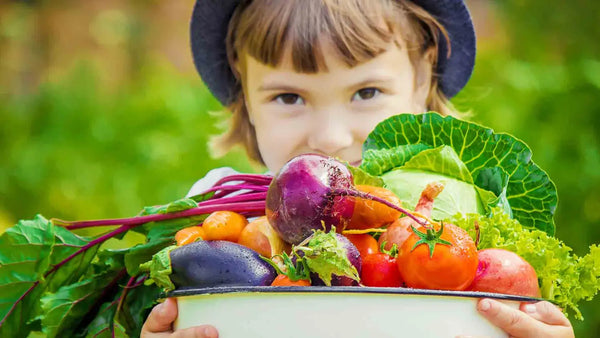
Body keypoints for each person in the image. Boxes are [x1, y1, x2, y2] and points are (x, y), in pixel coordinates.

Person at [141, 0, 575, 337]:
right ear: (246, 93)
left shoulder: (470, 233)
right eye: (289, 97)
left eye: (366, 91)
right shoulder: (217, 209)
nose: (330, 137)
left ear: (422, 77)